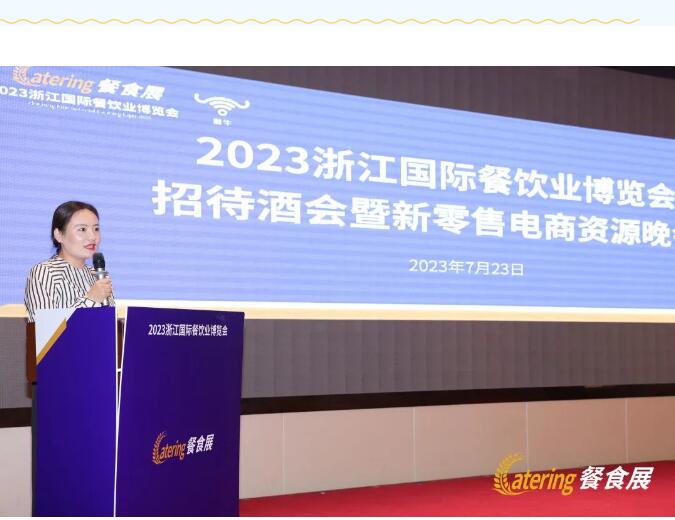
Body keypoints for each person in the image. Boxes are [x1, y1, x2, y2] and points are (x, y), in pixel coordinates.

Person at [24, 201, 115, 321]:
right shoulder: (44, 272)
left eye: (96, 229)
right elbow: (43, 328)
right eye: (82, 229)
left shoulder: (98, 275)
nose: (93, 237)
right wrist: (91, 299)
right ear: (59, 235)